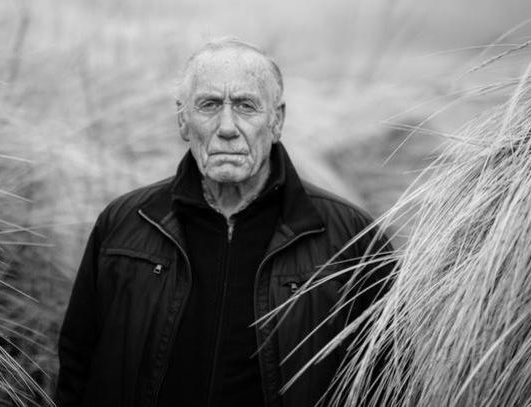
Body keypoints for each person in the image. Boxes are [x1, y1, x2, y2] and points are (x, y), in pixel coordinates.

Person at [56, 38, 394, 407]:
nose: (227, 127)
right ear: (183, 120)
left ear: (276, 120)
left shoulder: (352, 239)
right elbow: (77, 368)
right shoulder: (124, 224)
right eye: (209, 105)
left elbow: (387, 384)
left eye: (246, 106)